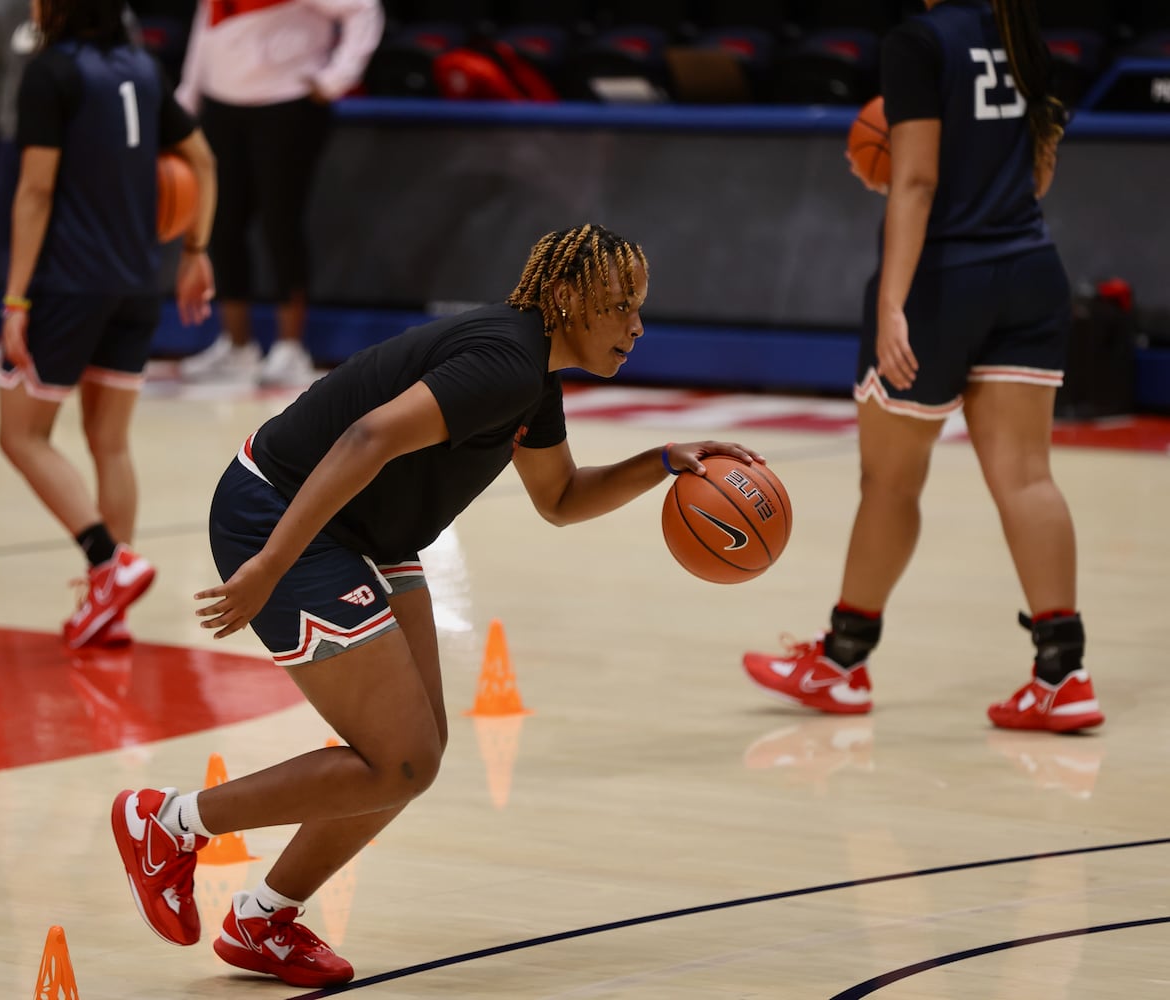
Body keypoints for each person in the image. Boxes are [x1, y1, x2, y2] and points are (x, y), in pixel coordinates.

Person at [108, 224, 764, 987]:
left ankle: (262, 919)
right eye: (620, 306)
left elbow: (559, 497)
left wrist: (659, 463)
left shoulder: (534, 377)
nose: (636, 326)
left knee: (413, 756)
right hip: (283, 513)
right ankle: (165, 822)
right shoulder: (506, 363)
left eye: (638, 308)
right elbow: (366, 438)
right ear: (564, 297)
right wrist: (268, 567)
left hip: (368, 535)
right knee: (400, 757)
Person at [743, 0, 1102, 733]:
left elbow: (915, 181)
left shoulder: (917, 41)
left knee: (890, 481)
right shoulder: (1021, 29)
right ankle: (1063, 676)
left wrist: (893, 304)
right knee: (1029, 479)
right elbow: (1037, 176)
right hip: (1030, 271)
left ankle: (842, 662)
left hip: (943, 282)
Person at [0, 0, 216, 649]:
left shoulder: (51, 72)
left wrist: (15, 298)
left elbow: (36, 191)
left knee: (21, 435)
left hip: (68, 283)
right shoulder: (144, 68)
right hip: (139, 281)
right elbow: (202, 160)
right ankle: (109, 608)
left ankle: (106, 561)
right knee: (109, 442)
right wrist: (196, 254)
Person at [174, 0, 383, 387]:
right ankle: (237, 347)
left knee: (280, 222)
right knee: (222, 223)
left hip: (286, 104)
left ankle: (291, 348)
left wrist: (338, 77)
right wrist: (189, 95)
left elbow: (364, 9)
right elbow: (208, 24)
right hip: (221, 105)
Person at [0, 0, 146, 359]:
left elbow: (131, 77)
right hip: (15, 139)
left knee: (77, 237)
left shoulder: (110, 15)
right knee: (17, 237)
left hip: (83, 142)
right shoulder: (2, 12)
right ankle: (18, 323)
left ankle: (85, 330)